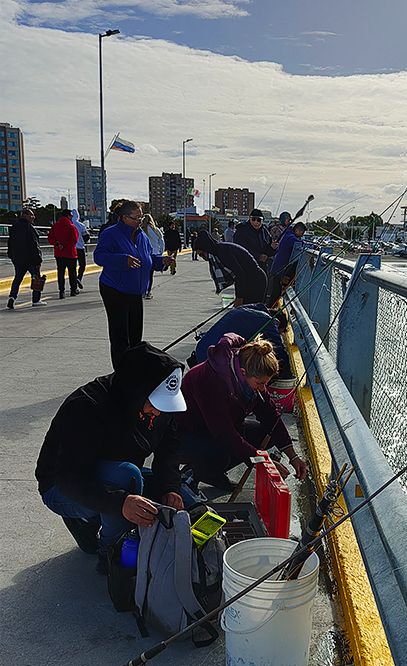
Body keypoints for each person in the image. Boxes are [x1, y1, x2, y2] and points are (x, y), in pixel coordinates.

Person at [35, 343, 189, 572]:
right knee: (127, 476)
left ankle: (97, 518)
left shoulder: (158, 410)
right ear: (136, 391)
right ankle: (110, 555)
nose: (157, 412)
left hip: (112, 473)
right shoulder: (86, 407)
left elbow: (169, 448)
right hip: (62, 485)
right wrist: (120, 503)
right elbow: (68, 476)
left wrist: (170, 488)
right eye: (154, 404)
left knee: (184, 496)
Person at [177, 334, 307, 490]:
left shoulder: (248, 380)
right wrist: (263, 462)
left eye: (265, 384)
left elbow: (271, 416)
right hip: (184, 435)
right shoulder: (210, 380)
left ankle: (210, 472)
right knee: (222, 452)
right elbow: (224, 434)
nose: (262, 388)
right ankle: (194, 473)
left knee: (267, 434)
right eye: (259, 383)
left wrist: (293, 456)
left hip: (214, 428)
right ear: (244, 372)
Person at [93, 200, 173, 370]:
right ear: (123, 217)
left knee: (136, 334)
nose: (139, 221)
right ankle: (121, 372)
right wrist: (123, 260)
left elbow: (148, 258)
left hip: (135, 291)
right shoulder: (111, 234)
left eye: (141, 217)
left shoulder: (142, 236)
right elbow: (99, 257)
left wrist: (162, 261)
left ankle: (133, 368)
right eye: (135, 218)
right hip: (115, 289)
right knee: (120, 334)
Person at [193, 303, 291, 378]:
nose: (276, 333)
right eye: (278, 331)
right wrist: (287, 376)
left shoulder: (247, 309)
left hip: (203, 349)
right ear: (277, 323)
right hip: (213, 358)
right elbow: (278, 351)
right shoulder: (268, 321)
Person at [195, 229, 267, 306]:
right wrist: (239, 296)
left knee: (249, 314)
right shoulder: (219, 251)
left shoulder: (223, 252)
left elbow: (240, 275)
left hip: (256, 281)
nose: (202, 257)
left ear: (207, 249)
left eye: (202, 254)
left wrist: (240, 297)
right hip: (249, 281)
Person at [6, 208, 45, 309]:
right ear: (25, 215)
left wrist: (12, 256)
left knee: (18, 279)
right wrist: (38, 259)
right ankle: (36, 300)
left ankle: (12, 297)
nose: (33, 217)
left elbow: (10, 243)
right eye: (31, 215)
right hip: (31, 259)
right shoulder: (29, 228)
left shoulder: (14, 227)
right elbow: (34, 244)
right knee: (36, 278)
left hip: (18, 259)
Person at [267, 222, 307, 308]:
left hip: (278, 268)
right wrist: (314, 246)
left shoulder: (287, 234)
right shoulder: (290, 237)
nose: (301, 235)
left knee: (276, 291)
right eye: (301, 232)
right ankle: (271, 310)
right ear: (297, 230)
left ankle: (272, 308)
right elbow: (300, 244)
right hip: (279, 269)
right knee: (275, 293)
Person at [233, 208, 277, 273]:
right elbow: (239, 250)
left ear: (262, 220)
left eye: (259, 220)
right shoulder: (241, 230)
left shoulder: (265, 231)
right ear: (249, 219)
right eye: (253, 219)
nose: (256, 222)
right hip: (244, 269)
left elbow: (268, 251)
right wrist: (258, 256)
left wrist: (272, 248)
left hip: (261, 268)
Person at [48, 209, 79, 299]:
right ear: (68, 216)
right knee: (72, 272)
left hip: (59, 253)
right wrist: (65, 246)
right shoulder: (71, 226)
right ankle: (73, 290)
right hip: (70, 253)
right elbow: (74, 240)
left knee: (61, 273)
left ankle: (61, 291)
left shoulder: (55, 226)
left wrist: (58, 244)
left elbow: (50, 238)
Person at [141, 213, 165, 300]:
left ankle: (142, 291)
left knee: (143, 274)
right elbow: (162, 242)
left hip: (144, 255)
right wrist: (160, 253)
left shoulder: (141, 230)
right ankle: (148, 292)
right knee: (150, 274)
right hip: (155, 254)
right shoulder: (156, 230)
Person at [71, 210, 89, 290]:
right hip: (80, 248)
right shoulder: (81, 225)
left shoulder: (69, 224)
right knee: (82, 265)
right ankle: (79, 278)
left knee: (72, 267)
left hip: (71, 249)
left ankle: (74, 283)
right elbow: (86, 236)